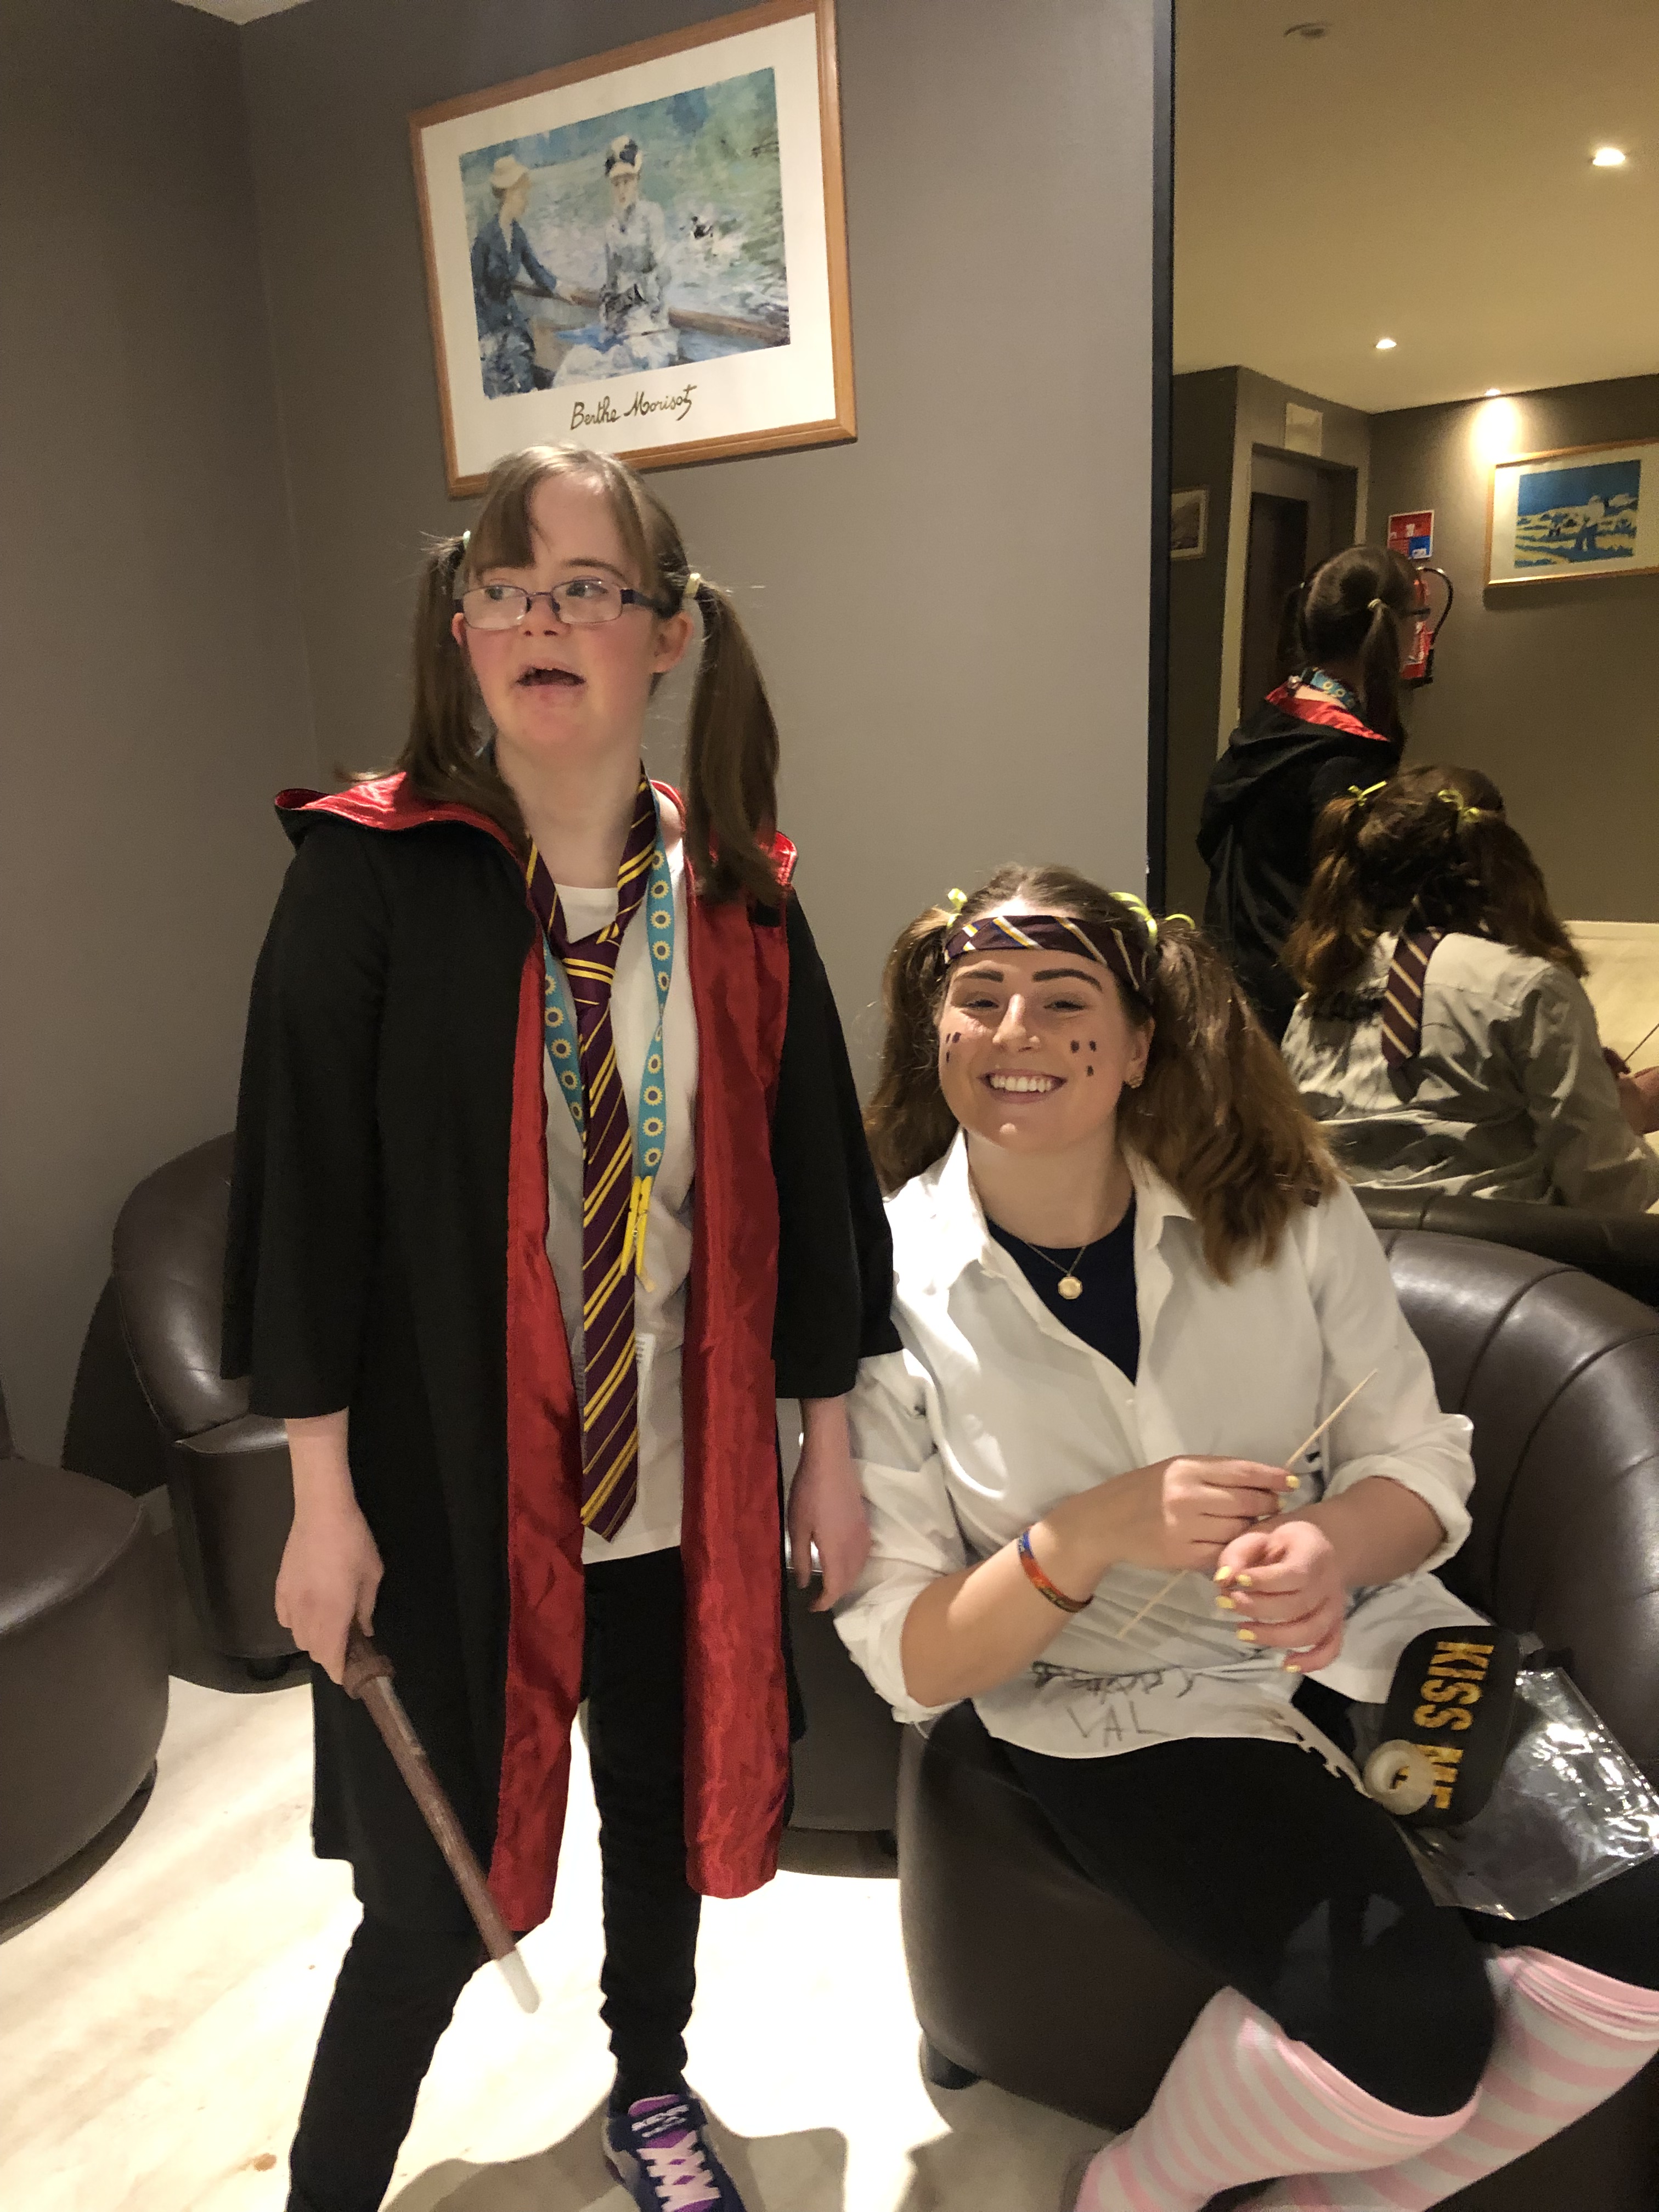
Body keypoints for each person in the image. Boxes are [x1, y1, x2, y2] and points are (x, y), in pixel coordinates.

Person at [224, 442, 896, 2212]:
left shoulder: (737, 898)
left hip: (678, 1487)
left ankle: (650, 2092)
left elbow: (812, 1191)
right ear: (459, 630)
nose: (542, 621)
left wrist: (826, 1453)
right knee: (427, 1888)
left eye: (586, 589)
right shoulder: (369, 875)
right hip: (447, 1494)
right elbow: (309, 1204)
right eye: (505, 589)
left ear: (666, 634)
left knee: (661, 1827)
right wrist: (316, 1503)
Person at [834, 866, 1659, 2212]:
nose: (1016, 1030)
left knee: (1643, 1956)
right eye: (978, 997)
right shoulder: (882, 1289)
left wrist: (1336, 1543)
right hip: (1118, 1709)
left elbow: (1418, 1458)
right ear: (937, 1036)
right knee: (1412, 2044)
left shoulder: (1285, 1210)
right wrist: (1085, 1535)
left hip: (1377, 1636)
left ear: (1139, 1043)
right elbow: (914, 1657)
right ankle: (1134, 2191)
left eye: (1063, 998)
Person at [1281, 765, 1659, 1212]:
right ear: (1498, 849)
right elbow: (1606, 1190)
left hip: (1346, 1243)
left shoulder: (1317, 997)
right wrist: (1628, 1117)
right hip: (1498, 1249)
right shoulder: (1526, 986)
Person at [1199, 544, 1425, 1042]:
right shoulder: (1346, 757)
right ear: (1393, 627)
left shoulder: (1270, 721)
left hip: (1235, 970)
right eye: (1417, 616)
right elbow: (1359, 897)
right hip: (1301, 995)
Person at [470, 154, 561, 398]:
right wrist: (483, 336)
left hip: (513, 324)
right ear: (508, 194)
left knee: (522, 359)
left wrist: (560, 288)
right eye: (522, 194)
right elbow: (473, 291)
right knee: (502, 375)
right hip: (491, 329)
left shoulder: (517, 234)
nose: (526, 201)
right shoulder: (485, 240)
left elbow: (536, 269)